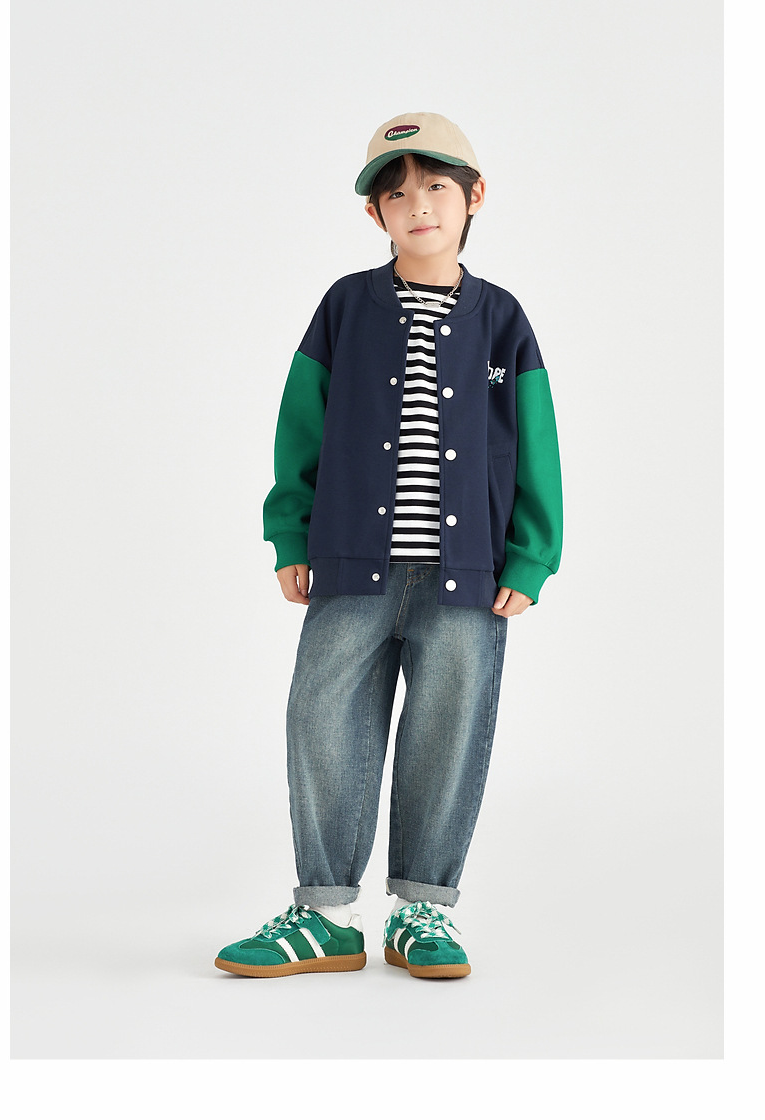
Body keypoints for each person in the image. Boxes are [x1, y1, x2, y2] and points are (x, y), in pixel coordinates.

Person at [215, 111, 563, 980]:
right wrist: (289, 532)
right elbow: (300, 429)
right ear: (375, 214)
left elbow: (537, 443)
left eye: (437, 187)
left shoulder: (503, 321)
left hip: (468, 578)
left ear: (475, 196)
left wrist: (531, 555)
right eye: (397, 195)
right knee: (322, 719)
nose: (419, 207)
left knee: (449, 730)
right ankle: (327, 915)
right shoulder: (345, 308)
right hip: (349, 566)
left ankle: (421, 912)